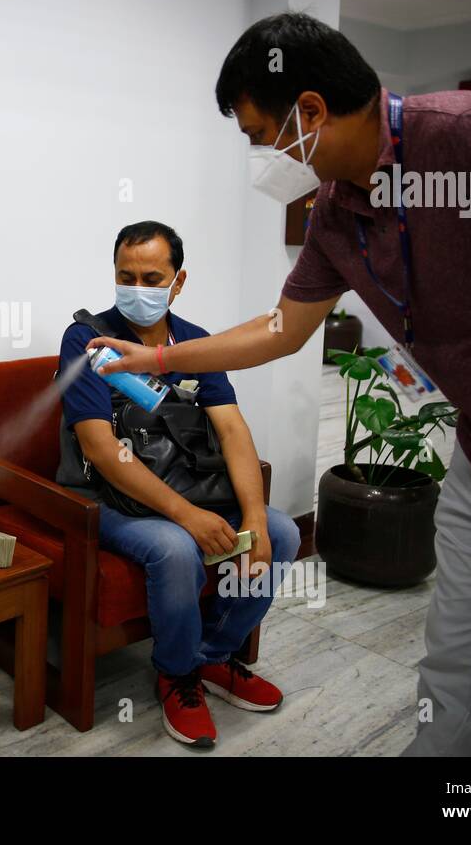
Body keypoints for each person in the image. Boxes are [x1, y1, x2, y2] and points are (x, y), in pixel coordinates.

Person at [89, 13, 471, 756]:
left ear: (310, 112)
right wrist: (154, 360)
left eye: (260, 134)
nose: (262, 155)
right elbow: (282, 328)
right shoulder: (337, 212)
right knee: (455, 669)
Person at [57, 220, 301, 748]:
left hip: (187, 486)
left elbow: (232, 429)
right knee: (174, 549)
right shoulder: (87, 339)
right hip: (109, 499)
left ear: (178, 280)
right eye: (126, 276)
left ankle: (211, 658)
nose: (137, 289)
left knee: (280, 534)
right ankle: (176, 674)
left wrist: (255, 517)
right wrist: (186, 516)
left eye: (152, 277)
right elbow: (100, 447)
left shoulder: (195, 344)